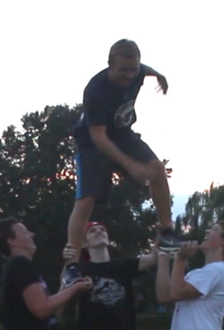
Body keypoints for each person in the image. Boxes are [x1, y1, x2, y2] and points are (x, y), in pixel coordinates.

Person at [64, 39, 180, 286]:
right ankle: (72, 264)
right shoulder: (96, 90)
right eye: (123, 70)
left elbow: (144, 69)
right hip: (92, 142)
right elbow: (99, 137)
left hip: (121, 132)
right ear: (110, 65)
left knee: (157, 169)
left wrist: (158, 75)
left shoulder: (138, 71)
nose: (129, 76)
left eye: (133, 70)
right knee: (86, 199)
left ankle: (167, 231)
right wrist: (130, 165)